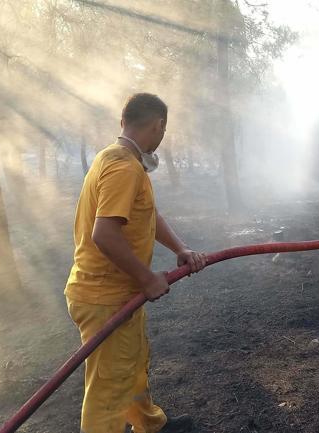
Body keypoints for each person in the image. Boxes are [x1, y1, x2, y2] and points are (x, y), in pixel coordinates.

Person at [64, 93, 206, 433]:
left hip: (116, 292)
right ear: (158, 125)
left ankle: (149, 426)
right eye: (164, 130)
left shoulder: (115, 159)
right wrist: (146, 278)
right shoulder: (124, 167)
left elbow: (146, 214)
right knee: (109, 390)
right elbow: (105, 234)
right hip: (105, 297)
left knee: (131, 366)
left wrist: (180, 248)